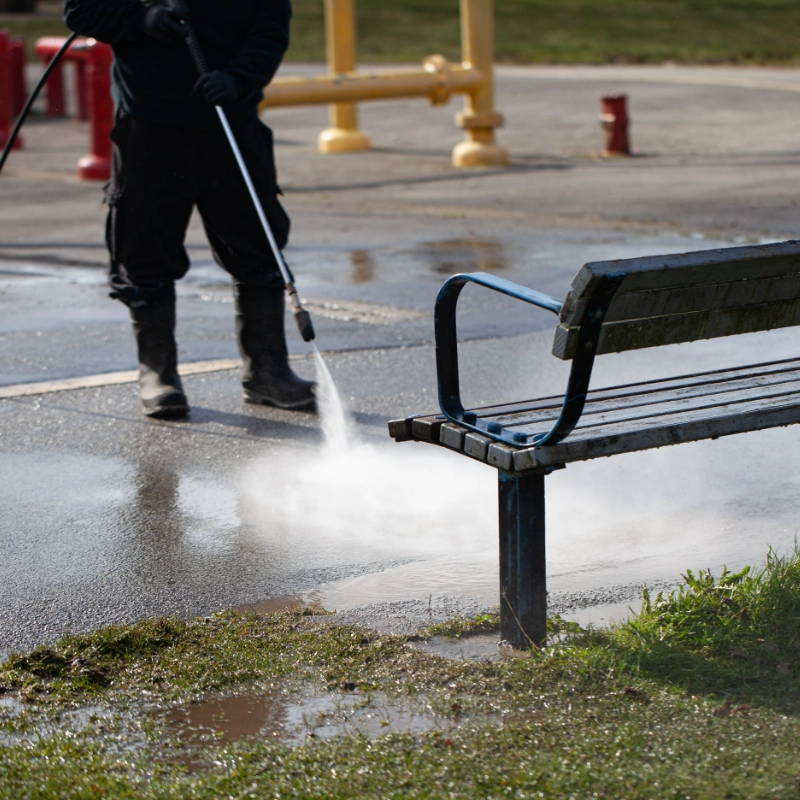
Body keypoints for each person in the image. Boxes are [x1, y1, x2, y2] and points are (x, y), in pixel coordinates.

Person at [63, 0, 315, 417]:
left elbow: (270, 29)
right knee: (144, 249)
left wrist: (239, 78)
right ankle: (159, 373)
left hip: (230, 118)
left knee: (259, 242)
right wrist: (141, 19)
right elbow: (83, 11)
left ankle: (268, 373)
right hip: (151, 122)